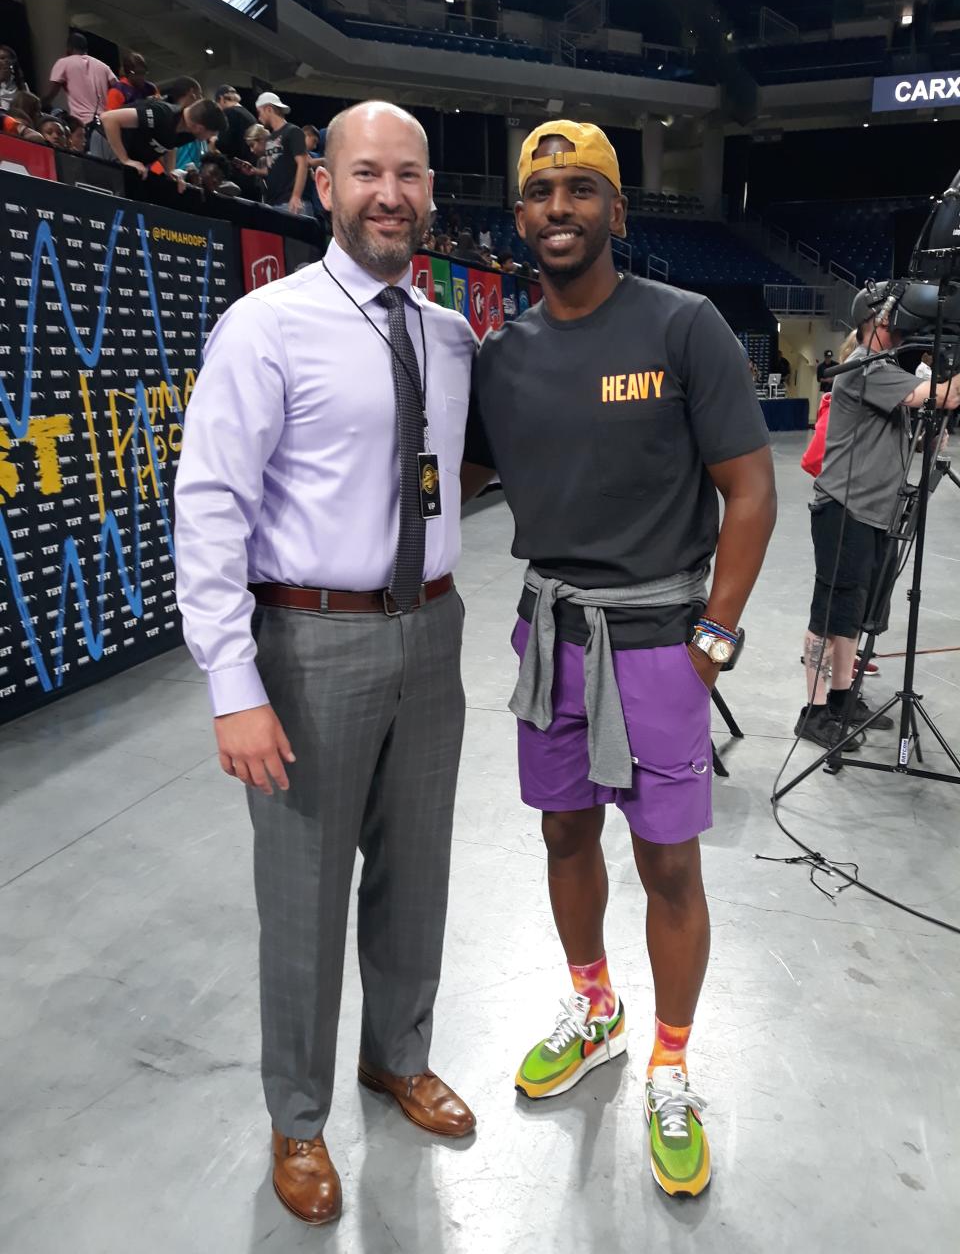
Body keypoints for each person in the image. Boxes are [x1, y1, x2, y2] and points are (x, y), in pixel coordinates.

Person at [174, 100, 478, 1228]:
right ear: (325, 185)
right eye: (365, 173)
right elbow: (208, 502)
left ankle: (396, 1056)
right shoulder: (268, 327)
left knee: (420, 876)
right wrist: (232, 683)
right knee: (303, 896)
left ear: (431, 189)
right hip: (308, 640)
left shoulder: (448, 337)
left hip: (432, 629)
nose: (389, 193)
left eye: (408, 173)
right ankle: (296, 1117)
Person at [462, 119, 776, 1199]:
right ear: (519, 217)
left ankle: (674, 1061)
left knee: (672, 863)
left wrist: (715, 639)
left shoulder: (685, 327)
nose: (561, 207)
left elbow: (751, 487)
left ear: (617, 210)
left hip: (659, 647)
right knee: (562, 832)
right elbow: (451, 477)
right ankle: (595, 1006)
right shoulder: (500, 359)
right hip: (547, 636)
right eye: (542, 191)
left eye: (582, 188)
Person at [798, 285, 960, 749]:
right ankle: (811, 711)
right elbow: (945, 396)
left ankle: (842, 699)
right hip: (844, 510)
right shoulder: (864, 369)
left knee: (851, 615)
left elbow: (926, 435)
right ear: (878, 321)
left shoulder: (890, 373)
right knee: (829, 612)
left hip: (873, 513)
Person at [98, 90, 226, 180]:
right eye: (211, 134)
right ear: (200, 128)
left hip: (132, 150)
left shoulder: (190, 132)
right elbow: (108, 118)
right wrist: (125, 159)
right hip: (107, 137)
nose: (210, 138)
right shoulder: (162, 114)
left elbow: (170, 145)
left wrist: (170, 172)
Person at [43, 31, 116, 129]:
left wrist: (37, 106)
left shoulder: (64, 63)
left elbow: (50, 94)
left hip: (83, 125)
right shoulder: (104, 67)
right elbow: (118, 88)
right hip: (106, 123)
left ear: (69, 48)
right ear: (86, 48)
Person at [255, 90, 309, 215]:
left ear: (269, 109)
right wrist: (254, 171)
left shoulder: (293, 131)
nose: (259, 117)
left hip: (289, 202)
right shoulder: (269, 138)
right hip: (272, 203)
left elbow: (303, 164)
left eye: (260, 112)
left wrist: (296, 196)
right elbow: (274, 169)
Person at [0, 46, 42, 125]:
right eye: (2, 58)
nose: (6, 61)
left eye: (9, 58)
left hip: (21, 124)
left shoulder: (21, 86)